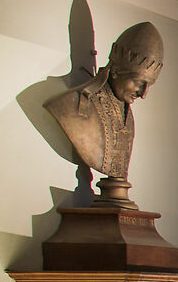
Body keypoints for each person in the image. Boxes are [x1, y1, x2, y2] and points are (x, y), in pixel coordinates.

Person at [46, 20, 165, 198]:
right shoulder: (69, 105)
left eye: (149, 85)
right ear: (115, 71)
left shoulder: (127, 118)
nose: (143, 94)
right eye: (139, 83)